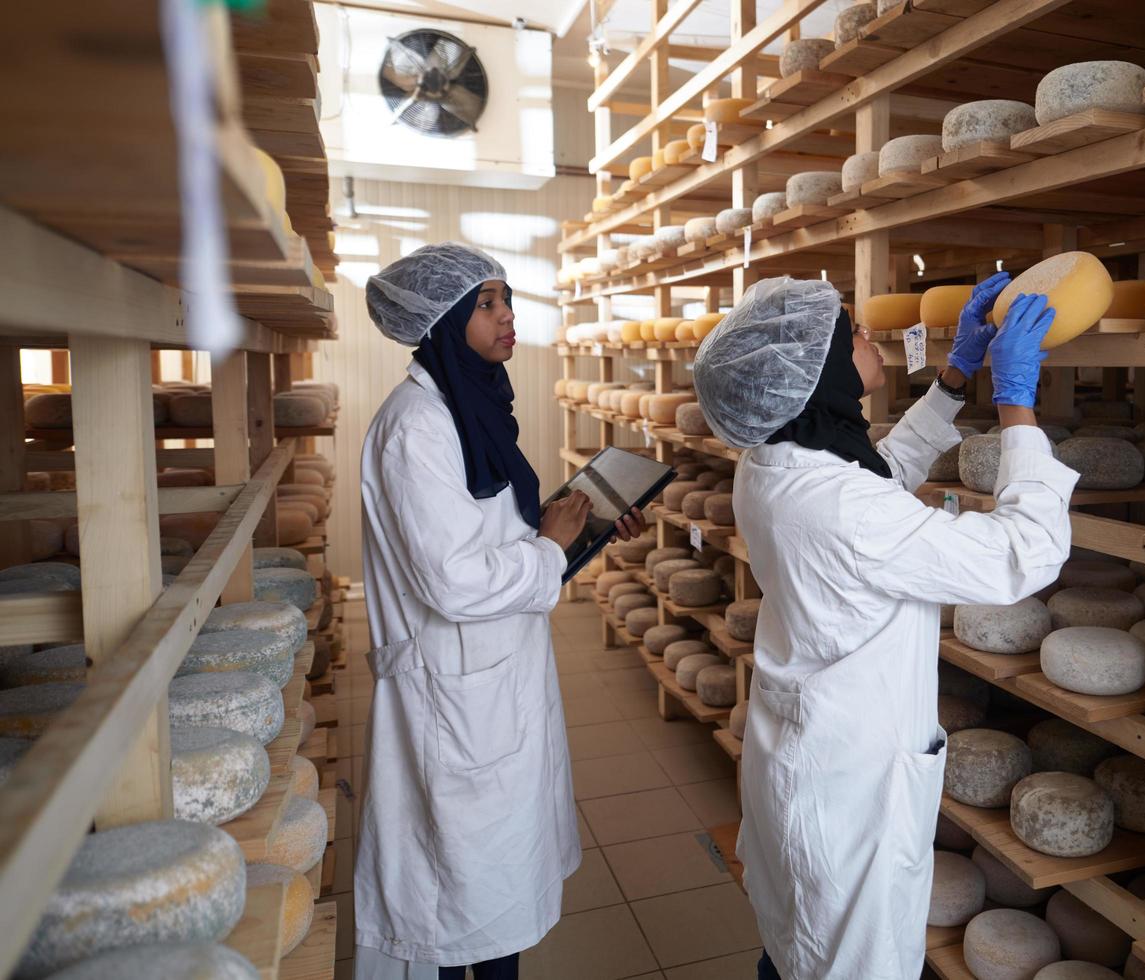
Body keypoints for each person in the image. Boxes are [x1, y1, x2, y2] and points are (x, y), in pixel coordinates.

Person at [692, 275, 1079, 979]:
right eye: (852, 333)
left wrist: (955, 379)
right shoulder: (836, 505)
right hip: (848, 774)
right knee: (844, 960)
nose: (867, 338)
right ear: (816, 372)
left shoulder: (778, 461)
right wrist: (1017, 403)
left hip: (814, 744)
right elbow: (1023, 555)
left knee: (801, 943)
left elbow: (878, 476)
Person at [355, 242, 644, 980]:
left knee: (490, 886)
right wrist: (548, 549)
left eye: (506, 298)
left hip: (494, 679)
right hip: (453, 690)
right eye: (485, 303)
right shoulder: (417, 426)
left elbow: (490, 536)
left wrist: (582, 529)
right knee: (463, 895)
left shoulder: (471, 406)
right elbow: (453, 581)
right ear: (445, 319)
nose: (507, 315)